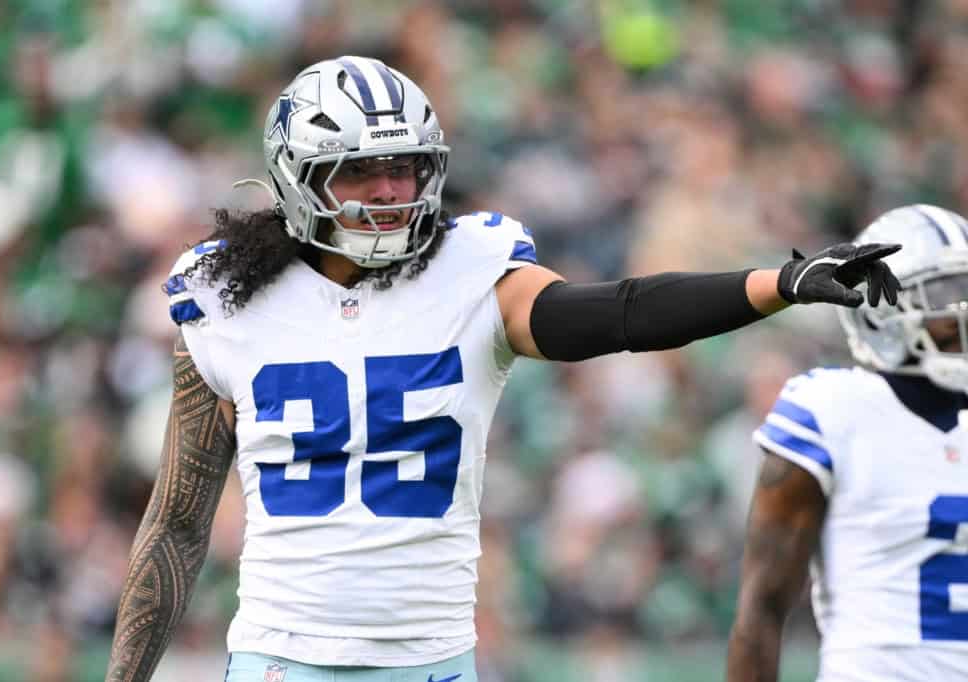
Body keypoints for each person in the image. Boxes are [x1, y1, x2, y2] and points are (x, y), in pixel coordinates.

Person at [104, 56, 900, 682]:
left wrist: (775, 284)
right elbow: (177, 523)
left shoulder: (470, 269)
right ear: (298, 179)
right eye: (359, 172)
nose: (390, 191)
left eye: (406, 167)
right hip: (282, 661)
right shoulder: (225, 300)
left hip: (432, 664)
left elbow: (614, 313)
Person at [727, 204, 968, 682]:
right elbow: (762, 612)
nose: (962, 310)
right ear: (885, 311)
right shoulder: (832, 410)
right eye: (944, 292)